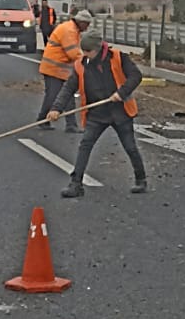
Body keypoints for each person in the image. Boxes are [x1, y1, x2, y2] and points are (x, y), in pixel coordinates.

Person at [46, 31, 146, 197]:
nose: (85, 55)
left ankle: (141, 179)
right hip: (96, 113)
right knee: (85, 145)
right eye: (83, 51)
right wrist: (56, 108)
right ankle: (75, 184)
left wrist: (121, 93)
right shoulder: (81, 65)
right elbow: (69, 88)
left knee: (130, 146)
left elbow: (136, 76)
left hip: (120, 111)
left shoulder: (118, 57)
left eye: (88, 51)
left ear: (98, 49)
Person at [37, 8, 92, 133]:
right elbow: (73, 53)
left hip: (60, 70)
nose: (87, 28)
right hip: (53, 69)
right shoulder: (69, 30)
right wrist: (88, 61)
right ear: (81, 22)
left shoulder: (73, 29)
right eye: (87, 25)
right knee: (53, 96)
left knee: (68, 96)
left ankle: (71, 125)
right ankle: (43, 119)